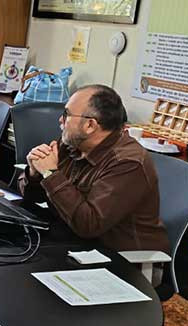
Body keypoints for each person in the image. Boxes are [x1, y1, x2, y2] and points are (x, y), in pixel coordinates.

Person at [19, 85, 168, 253]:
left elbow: (88, 225)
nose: (60, 120)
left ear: (90, 125)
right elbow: (35, 197)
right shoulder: (72, 143)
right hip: (71, 239)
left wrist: (50, 173)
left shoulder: (127, 163)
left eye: (66, 114)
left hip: (117, 256)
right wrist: (34, 174)